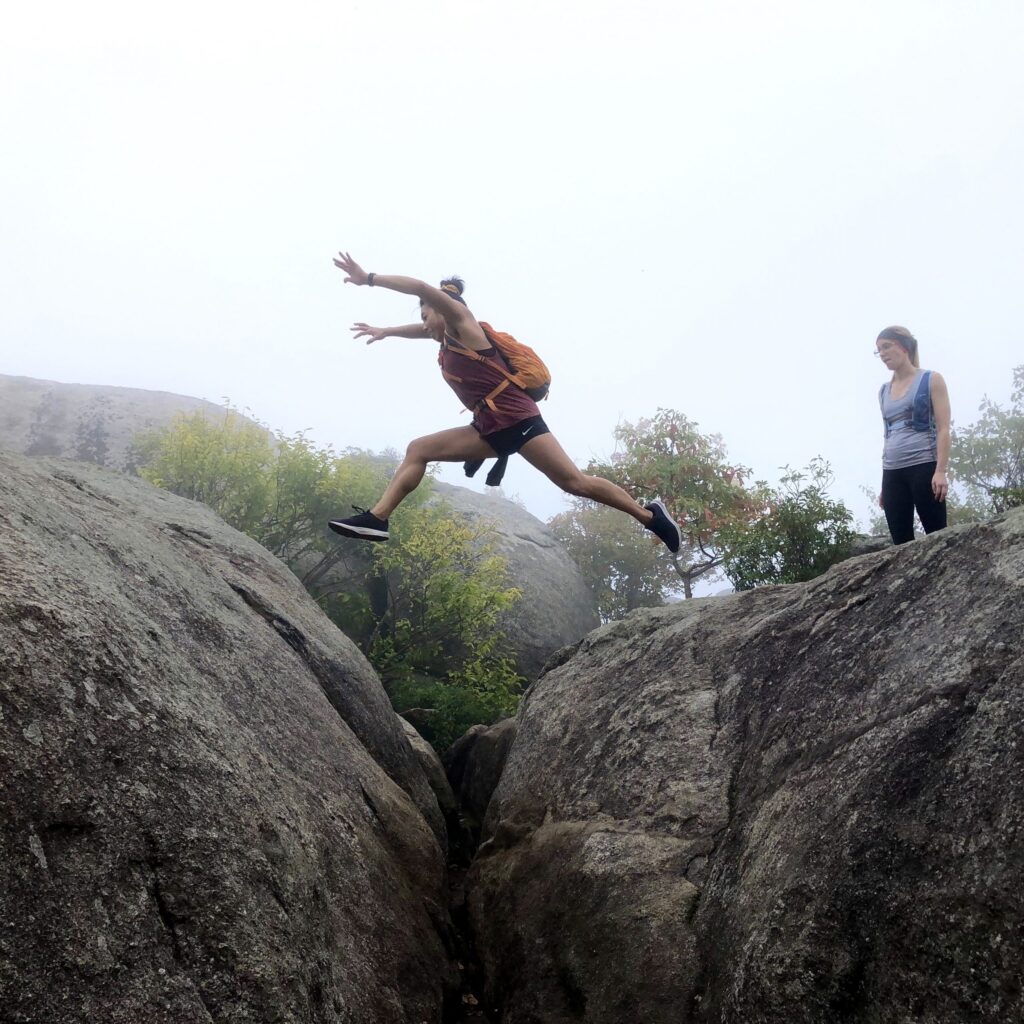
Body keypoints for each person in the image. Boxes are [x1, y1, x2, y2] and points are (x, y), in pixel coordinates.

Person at [327, 251, 682, 554]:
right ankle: (378, 519)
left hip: (517, 419)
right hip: (488, 427)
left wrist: (368, 278)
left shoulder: (465, 327)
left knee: (575, 483)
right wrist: (387, 332)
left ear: (441, 308)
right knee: (418, 449)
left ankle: (650, 516)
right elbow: (422, 329)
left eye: (424, 316)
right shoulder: (445, 340)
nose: (423, 325)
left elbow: (422, 289)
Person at [875, 326, 951, 544]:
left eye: (887, 346)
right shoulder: (883, 391)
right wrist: (885, 484)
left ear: (904, 347)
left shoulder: (931, 380)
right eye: (879, 350)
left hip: (924, 465)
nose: (882, 354)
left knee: (937, 538)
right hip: (892, 472)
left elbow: (943, 428)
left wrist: (941, 471)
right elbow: (887, 435)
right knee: (900, 544)